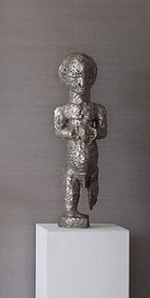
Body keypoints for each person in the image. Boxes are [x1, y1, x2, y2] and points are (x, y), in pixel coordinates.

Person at [53, 53, 107, 228]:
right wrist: (75, 132)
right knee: (71, 183)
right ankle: (71, 211)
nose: (81, 83)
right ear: (66, 77)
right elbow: (58, 131)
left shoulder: (97, 109)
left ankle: (75, 211)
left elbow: (103, 132)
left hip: (91, 158)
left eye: (86, 76)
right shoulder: (62, 111)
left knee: (90, 185)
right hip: (73, 161)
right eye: (76, 76)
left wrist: (92, 131)